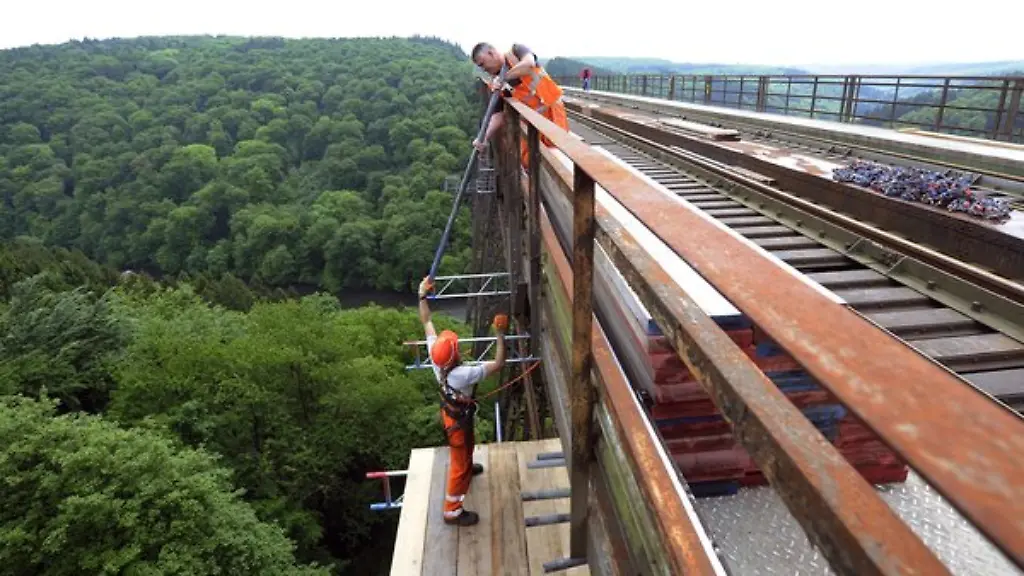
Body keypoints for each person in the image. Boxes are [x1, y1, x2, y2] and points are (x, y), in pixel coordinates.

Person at [418, 276, 507, 526]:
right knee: (457, 465)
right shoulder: (463, 374)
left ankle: (468, 466)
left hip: (453, 415)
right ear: (455, 353)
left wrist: (421, 296)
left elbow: (426, 321)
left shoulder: (438, 361)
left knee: (466, 448)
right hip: (458, 421)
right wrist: (500, 334)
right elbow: (499, 364)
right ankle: (452, 510)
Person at [469, 42, 569, 169]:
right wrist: (483, 137)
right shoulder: (495, 83)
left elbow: (528, 64)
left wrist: (503, 77)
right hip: (531, 122)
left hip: (551, 112)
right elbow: (498, 114)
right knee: (531, 161)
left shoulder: (516, 52)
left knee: (557, 153)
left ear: (491, 53)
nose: (483, 69)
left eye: (482, 63)